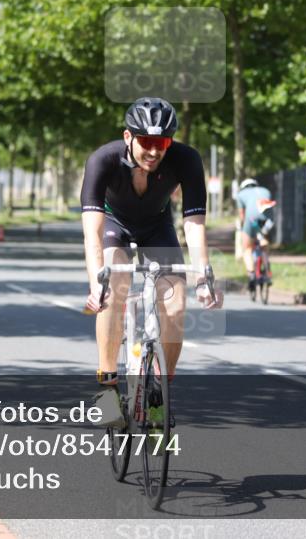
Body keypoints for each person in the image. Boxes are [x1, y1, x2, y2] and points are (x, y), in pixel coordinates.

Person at [80, 96, 223, 427]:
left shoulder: (186, 159)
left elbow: (194, 223)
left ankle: (160, 391)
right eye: (146, 142)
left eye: (162, 143)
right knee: (113, 290)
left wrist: (203, 275)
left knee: (175, 306)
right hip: (115, 226)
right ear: (128, 137)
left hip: (157, 227)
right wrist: (95, 282)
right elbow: (93, 231)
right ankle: (107, 384)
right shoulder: (103, 160)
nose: (155, 151)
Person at [235, 178, 276, 292]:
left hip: (251, 218)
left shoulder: (241, 194)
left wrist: (243, 229)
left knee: (247, 248)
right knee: (264, 243)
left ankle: (252, 274)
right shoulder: (266, 190)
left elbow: (242, 215)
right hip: (267, 219)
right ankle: (267, 269)